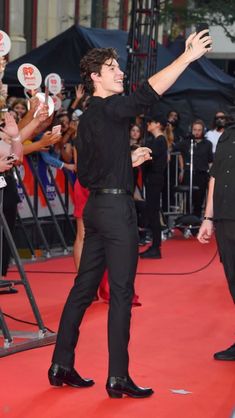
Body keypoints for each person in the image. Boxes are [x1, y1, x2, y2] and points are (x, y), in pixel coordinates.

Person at [48, 30, 212, 398]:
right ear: (95, 78)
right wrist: (186, 58)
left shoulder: (89, 117)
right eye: (112, 68)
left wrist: (127, 160)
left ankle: (61, 364)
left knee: (82, 290)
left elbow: (88, 174)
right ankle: (118, 376)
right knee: (121, 293)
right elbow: (148, 92)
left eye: (118, 66)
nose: (120, 72)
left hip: (95, 209)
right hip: (116, 210)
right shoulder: (110, 108)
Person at [197, 116, 235, 361]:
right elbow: (214, 177)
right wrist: (208, 218)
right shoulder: (227, 135)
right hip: (224, 218)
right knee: (233, 280)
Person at [139, 114, 168, 259]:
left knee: (153, 212)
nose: (148, 124)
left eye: (151, 122)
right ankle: (155, 246)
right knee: (152, 211)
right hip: (154, 180)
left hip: (154, 180)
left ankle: (156, 247)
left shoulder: (160, 141)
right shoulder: (158, 140)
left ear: (158, 124)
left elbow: (150, 159)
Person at [175, 119, 213, 219]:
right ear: (191, 130)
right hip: (189, 173)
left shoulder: (208, 144)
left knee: (199, 200)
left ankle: (196, 222)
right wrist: (182, 168)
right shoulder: (186, 142)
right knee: (188, 199)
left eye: (199, 130)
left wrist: (210, 176)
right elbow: (174, 148)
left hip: (202, 174)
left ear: (203, 131)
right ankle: (186, 220)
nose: (196, 132)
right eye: (194, 129)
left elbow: (210, 161)